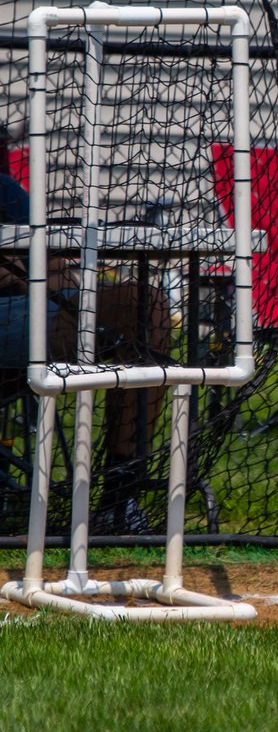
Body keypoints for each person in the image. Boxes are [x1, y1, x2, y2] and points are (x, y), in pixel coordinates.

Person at [0, 169, 171, 534]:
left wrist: (31, 274)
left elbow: (54, 267)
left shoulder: (4, 190)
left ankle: (120, 497)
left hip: (31, 311)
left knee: (145, 304)